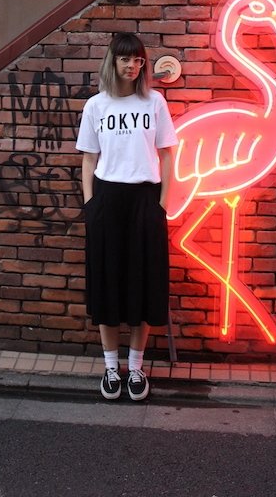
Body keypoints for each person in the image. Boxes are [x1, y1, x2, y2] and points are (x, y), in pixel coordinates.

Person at [76, 32, 178, 401]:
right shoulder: (96, 106)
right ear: (113, 62)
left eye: (138, 60)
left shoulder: (154, 102)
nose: (133, 66)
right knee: (107, 285)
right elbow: (89, 158)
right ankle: (110, 368)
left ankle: (135, 367)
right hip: (107, 200)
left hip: (145, 200)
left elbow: (167, 154)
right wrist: (90, 204)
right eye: (125, 59)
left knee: (143, 285)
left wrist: (162, 204)